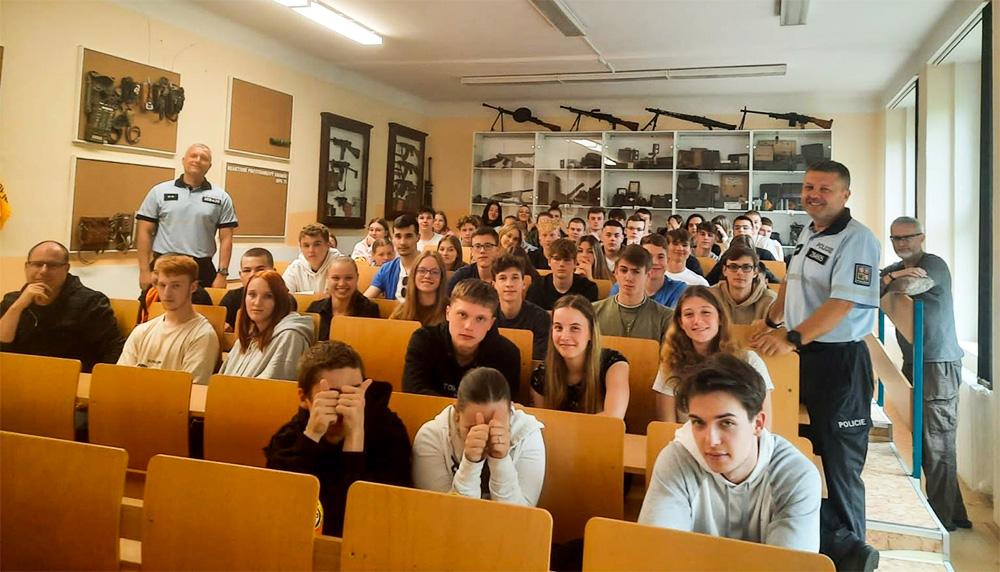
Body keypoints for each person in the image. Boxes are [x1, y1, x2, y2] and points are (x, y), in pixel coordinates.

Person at [750, 160, 881, 571]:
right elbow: (792, 285)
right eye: (809, 187)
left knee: (841, 470)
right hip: (802, 356)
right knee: (791, 451)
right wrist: (771, 320)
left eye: (824, 189)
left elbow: (841, 303)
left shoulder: (858, 240)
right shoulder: (809, 231)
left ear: (845, 195)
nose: (814, 195)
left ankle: (854, 556)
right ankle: (808, 550)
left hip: (839, 362)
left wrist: (790, 337)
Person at [639, 354, 821, 552]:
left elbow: (789, 567)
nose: (711, 440)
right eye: (698, 422)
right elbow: (658, 555)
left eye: (727, 423)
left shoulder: (797, 476)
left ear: (758, 423)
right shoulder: (677, 460)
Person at [264, 341, 411, 536]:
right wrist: (312, 437)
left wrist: (354, 439)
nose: (344, 405)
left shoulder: (389, 431)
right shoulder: (289, 438)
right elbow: (282, 511)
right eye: (331, 395)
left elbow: (378, 518)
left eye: (353, 392)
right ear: (304, 398)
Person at [880, 216, 970, 530]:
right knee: (927, 438)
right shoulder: (898, 267)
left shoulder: (935, 264)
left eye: (908, 237)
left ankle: (941, 521)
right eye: (896, 239)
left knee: (937, 443)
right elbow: (872, 285)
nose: (902, 244)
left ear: (922, 237)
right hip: (915, 360)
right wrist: (895, 275)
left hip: (938, 364)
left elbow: (907, 285)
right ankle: (955, 513)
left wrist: (896, 277)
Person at [412, 367, 545, 505]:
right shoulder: (431, 437)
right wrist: (470, 463)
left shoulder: (528, 434)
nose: (486, 437)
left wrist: (501, 461)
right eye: (472, 428)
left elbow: (521, 518)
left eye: (498, 426)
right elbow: (445, 516)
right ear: (457, 414)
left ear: (510, 412)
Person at [654, 286, 773, 425]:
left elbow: (763, 428)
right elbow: (667, 427)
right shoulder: (671, 364)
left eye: (705, 312)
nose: (697, 320)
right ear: (681, 323)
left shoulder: (750, 361)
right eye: (688, 314)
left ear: (720, 317)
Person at [1, 240, 123, 372]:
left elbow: (113, 351)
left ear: (66, 268)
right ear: (27, 266)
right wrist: (17, 307)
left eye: (52, 265)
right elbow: (2, 347)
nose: (43, 271)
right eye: (37, 264)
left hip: (70, 381)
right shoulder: (12, 301)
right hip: (20, 379)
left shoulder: (91, 302)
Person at [134, 143, 237, 290]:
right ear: (183, 160)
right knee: (153, 311)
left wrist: (222, 274)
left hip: (201, 268)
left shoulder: (221, 197)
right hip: (163, 264)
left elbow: (226, 238)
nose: (197, 160)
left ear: (209, 166)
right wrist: (144, 271)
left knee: (204, 311)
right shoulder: (159, 191)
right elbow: (144, 231)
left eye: (204, 158)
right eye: (193, 156)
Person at [402, 279, 520, 397]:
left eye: (480, 319)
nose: (469, 326)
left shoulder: (507, 354)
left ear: (490, 323)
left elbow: (504, 406)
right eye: (462, 315)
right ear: (448, 313)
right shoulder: (423, 340)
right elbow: (413, 393)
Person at [117, 255, 220, 385]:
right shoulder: (142, 331)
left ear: (193, 287)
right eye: (162, 285)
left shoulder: (202, 335)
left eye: (176, 286)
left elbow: (190, 390)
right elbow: (121, 379)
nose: (167, 293)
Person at [531, 295, 629, 417]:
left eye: (575, 328)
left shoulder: (614, 365)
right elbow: (543, 425)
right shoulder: (541, 375)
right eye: (558, 327)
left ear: (591, 332)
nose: (564, 336)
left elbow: (613, 420)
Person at [221, 271, 314, 380]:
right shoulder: (249, 334)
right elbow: (222, 379)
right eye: (252, 294)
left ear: (280, 300)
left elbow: (273, 387)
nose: (257, 302)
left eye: (268, 296)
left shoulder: (291, 336)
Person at [593, 245, 672, 341]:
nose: (629, 278)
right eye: (623, 270)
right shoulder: (594, 312)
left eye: (636, 271)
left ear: (648, 275)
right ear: (616, 273)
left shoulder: (665, 317)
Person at [220, 248, 298, 330]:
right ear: (240, 275)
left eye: (260, 269)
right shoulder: (232, 298)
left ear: (273, 272)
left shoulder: (286, 299)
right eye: (247, 270)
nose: (252, 275)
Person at [307, 256, 380, 341]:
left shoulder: (370, 310)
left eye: (348, 278)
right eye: (335, 278)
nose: (341, 284)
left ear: (357, 278)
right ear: (327, 278)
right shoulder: (314, 309)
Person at [492, 255, 550, 361]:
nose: (509, 284)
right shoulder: (487, 316)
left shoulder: (541, 318)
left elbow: (538, 360)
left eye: (515, 278)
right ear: (494, 285)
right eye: (502, 278)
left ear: (523, 284)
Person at [610, 234, 686, 308]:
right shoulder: (622, 286)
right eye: (649, 257)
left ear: (668, 260)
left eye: (660, 257)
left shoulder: (678, 289)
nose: (654, 262)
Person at [709, 244, 777, 325]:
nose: (739, 272)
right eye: (733, 267)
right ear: (724, 270)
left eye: (746, 267)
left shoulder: (771, 300)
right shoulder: (710, 296)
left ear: (755, 272)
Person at [527, 238, 598, 310]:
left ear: (575, 263)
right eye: (557, 259)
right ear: (549, 261)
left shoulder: (588, 288)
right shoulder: (537, 287)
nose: (561, 264)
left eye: (566, 260)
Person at [364, 214, 419, 301]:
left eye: (408, 236)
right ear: (392, 238)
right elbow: (365, 299)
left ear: (417, 237)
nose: (402, 242)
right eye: (398, 236)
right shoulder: (387, 269)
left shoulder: (430, 267)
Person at [389, 252, 448, 326]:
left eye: (434, 272)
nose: (427, 276)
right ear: (414, 275)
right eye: (422, 271)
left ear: (441, 277)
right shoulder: (401, 312)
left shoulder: (451, 310)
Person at [283, 223, 343, 295]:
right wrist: (315, 294)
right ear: (300, 247)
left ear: (328, 245)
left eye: (317, 244)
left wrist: (301, 295)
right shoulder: (295, 267)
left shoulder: (341, 265)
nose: (311, 250)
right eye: (306, 245)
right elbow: (284, 296)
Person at [446, 226, 500, 296]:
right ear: (471, 251)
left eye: (488, 246)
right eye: (477, 246)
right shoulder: (462, 276)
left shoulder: (506, 275)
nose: (482, 251)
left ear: (497, 250)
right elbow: (446, 300)